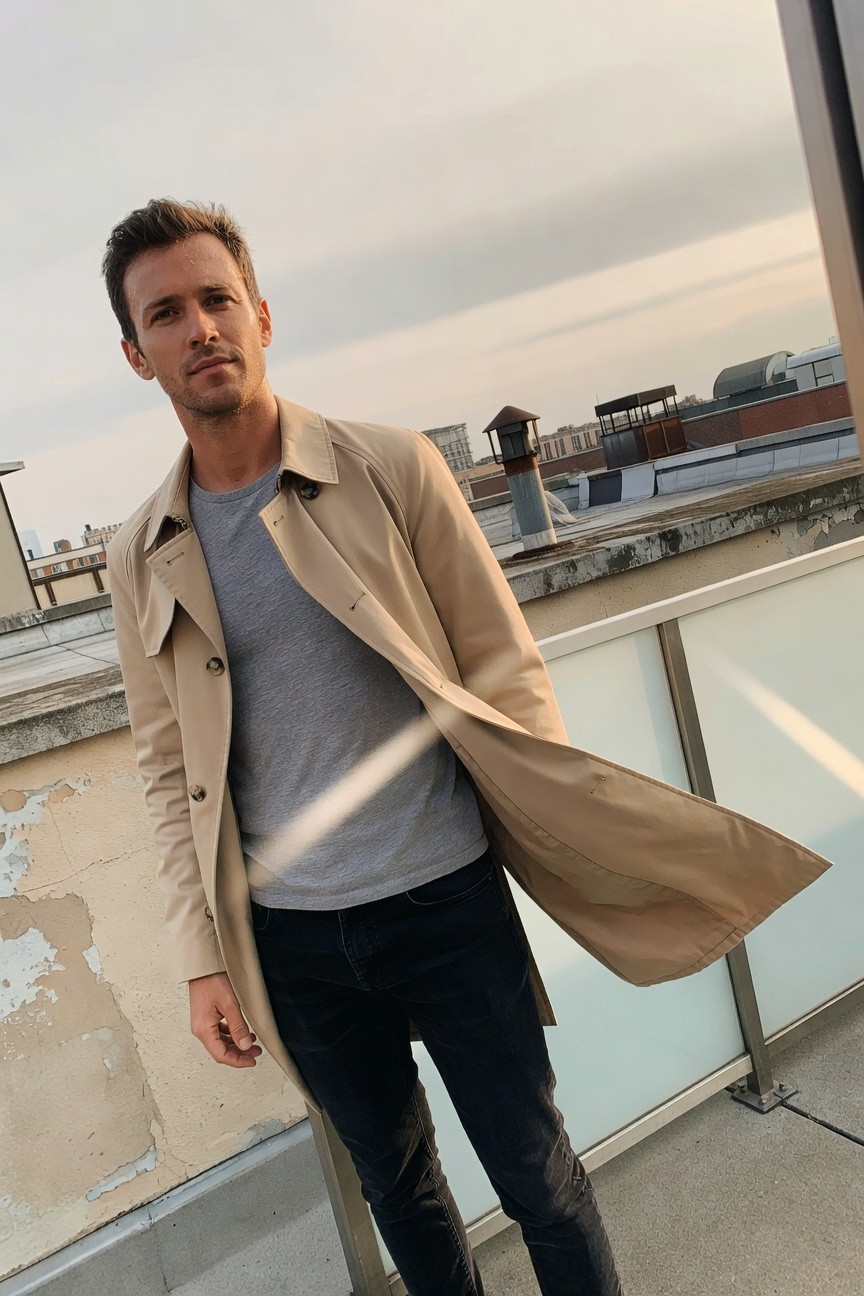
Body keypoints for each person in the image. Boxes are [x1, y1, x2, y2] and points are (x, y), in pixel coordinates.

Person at [104, 199, 827, 1296]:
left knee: (536, 1178)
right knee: (401, 1194)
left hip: (443, 899)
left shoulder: (387, 469)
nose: (200, 327)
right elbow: (166, 768)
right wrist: (202, 956)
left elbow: (504, 673)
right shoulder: (140, 550)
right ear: (135, 352)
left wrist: (558, 838)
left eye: (215, 299)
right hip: (293, 946)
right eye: (167, 312)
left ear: (260, 313)